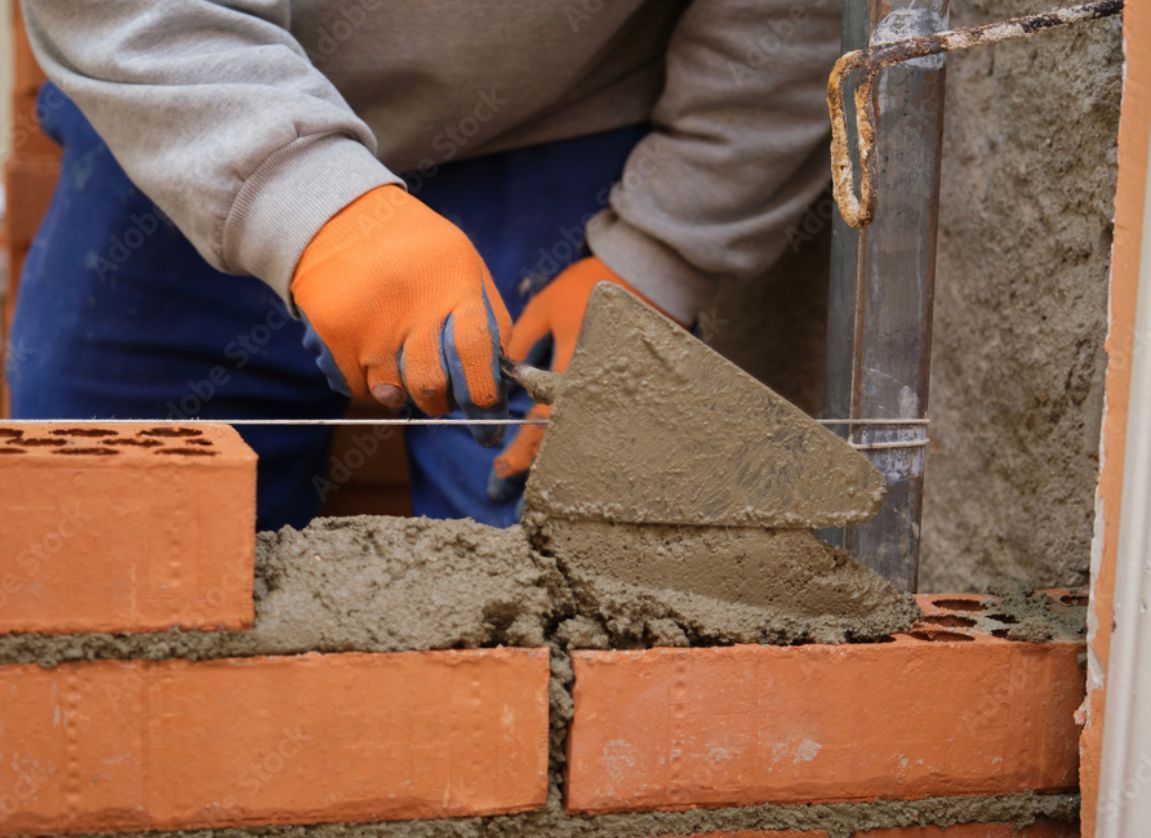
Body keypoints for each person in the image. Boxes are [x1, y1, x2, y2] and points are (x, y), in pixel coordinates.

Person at [10, 1, 840, 530]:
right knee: (96, 540)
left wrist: (658, 252)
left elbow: (792, 17)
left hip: (561, 124)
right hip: (201, 107)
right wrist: (311, 206)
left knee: (561, 586)